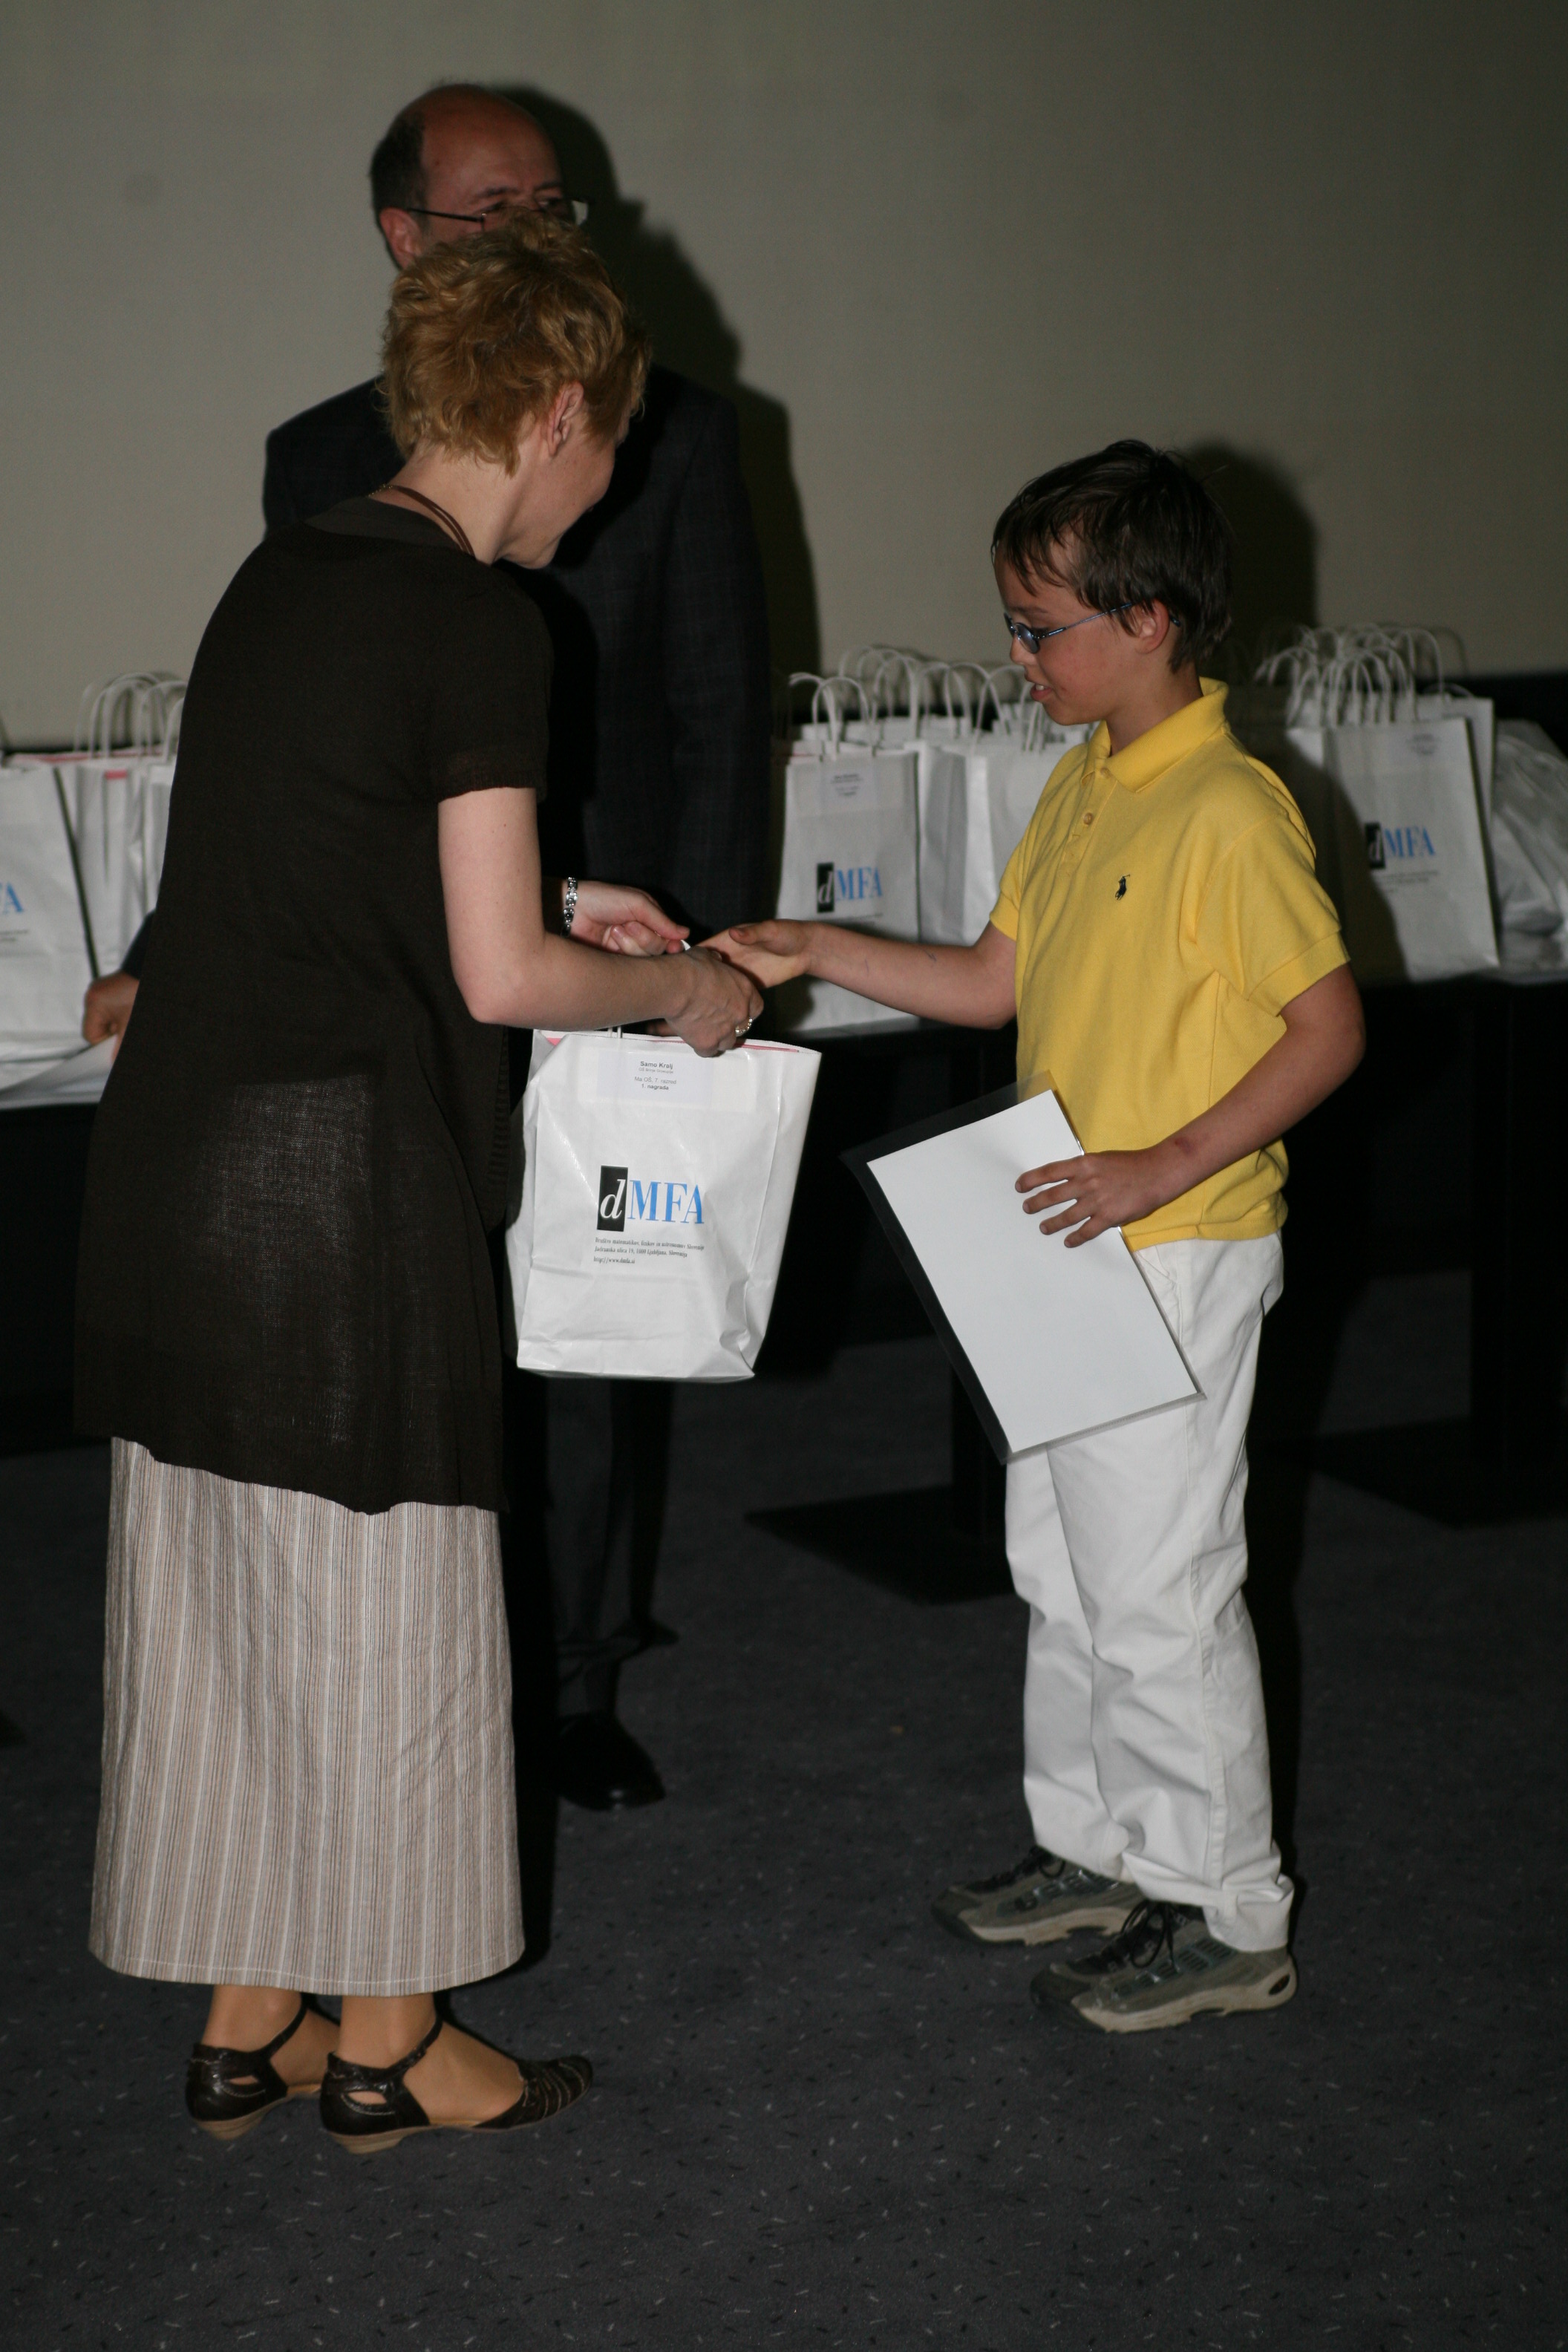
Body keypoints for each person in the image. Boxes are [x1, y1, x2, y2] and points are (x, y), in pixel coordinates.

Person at [74, 214, 761, 2149]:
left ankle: (248, 2014)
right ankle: (392, 2040)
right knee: (397, 1616)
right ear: (553, 416)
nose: (609, 482)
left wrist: (568, 895)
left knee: (228, 1597)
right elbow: (501, 980)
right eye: (612, 441)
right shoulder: (480, 621)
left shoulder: (286, 573)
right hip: (346, 1188)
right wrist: (684, 986)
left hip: (183, 1176)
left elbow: (329, 862)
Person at [708, 442, 1365, 2033]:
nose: (1018, 655)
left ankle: (1226, 1909)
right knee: (1062, 1569)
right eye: (1014, 623)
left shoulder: (1229, 807)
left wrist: (1164, 1165)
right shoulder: (1082, 784)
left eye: (1039, 627)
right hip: (1069, 1244)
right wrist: (816, 948)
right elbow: (991, 983)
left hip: (1176, 1246)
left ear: (1149, 621)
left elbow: (1329, 1028)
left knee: (1162, 1590)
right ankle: (1098, 1852)